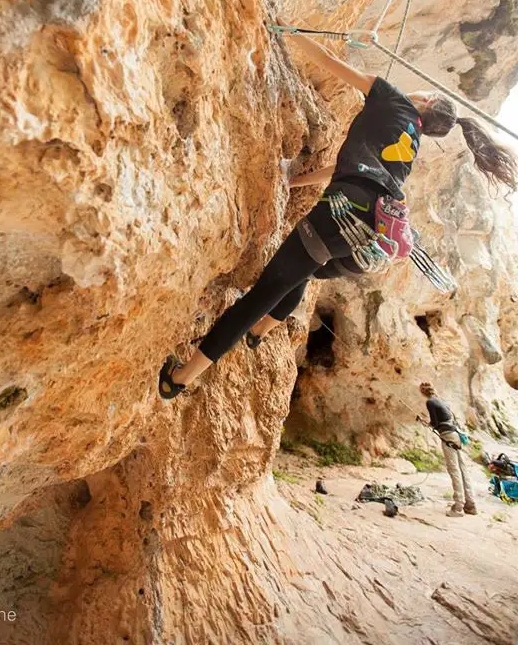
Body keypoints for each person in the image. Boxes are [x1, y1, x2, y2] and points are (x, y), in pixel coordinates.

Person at [159, 35, 518, 399]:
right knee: (304, 271)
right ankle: (260, 331)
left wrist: (288, 34)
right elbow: (344, 168)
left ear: (427, 100)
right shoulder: (411, 145)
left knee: (264, 293)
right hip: (369, 235)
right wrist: (297, 180)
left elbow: (331, 61)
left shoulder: (392, 97)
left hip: (341, 213)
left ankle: (181, 377)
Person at [417, 382, 476, 516]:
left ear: (422, 392)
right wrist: (428, 423)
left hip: (448, 436)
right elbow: (443, 420)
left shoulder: (430, 402)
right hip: (456, 435)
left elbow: (436, 424)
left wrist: (424, 422)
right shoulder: (441, 401)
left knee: (454, 470)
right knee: (462, 469)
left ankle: (458, 507)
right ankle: (471, 505)